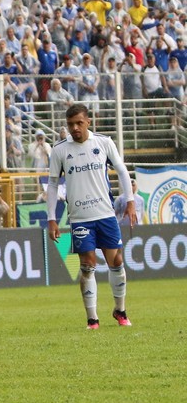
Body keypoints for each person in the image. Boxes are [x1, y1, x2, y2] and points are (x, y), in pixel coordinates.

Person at [47, 104, 135, 329]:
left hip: (105, 214)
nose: (74, 128)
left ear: (88, 122)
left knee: (116, 261)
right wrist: (52, 218)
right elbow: (53, 184)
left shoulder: (103, 143)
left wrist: (130, 201)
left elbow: (122, 171)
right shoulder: (59, 150)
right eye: (70, 124)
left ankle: (120, 310)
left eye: (78, 123)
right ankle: (92, 319)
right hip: (80, 217)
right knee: (87, 265)